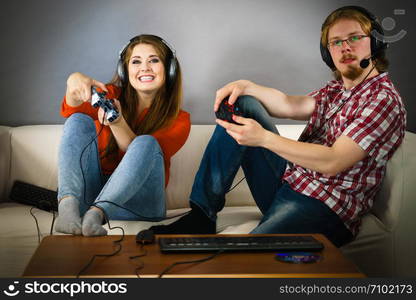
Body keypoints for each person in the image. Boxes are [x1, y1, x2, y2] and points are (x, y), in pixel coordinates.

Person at [147, 6, 407, 247]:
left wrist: (263, 139)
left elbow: (334, 161)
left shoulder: (382, 99)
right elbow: (289, 104)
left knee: (247, 256)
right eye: (336, 42)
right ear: (328, 52)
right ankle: (202, 215)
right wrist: (247, 86)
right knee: (244, 103)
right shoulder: (338, 91)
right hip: (290, 183)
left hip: (327, 207)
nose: (344, 47)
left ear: (375, 42)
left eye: (354, 38)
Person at [55, 34, 191, 236]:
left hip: (141, 205)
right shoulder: (110, 94)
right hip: (93, 196)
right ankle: (67, 209)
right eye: (136, 62)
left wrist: (117, 123)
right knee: (77, 120)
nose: (144, 68)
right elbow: (70, 111)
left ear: (169, 70)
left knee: (146, 142)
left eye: (154, 60)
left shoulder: (179, 120)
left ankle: (96, 215)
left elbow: (139, 154)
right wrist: (73, 82)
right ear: (125, 70)